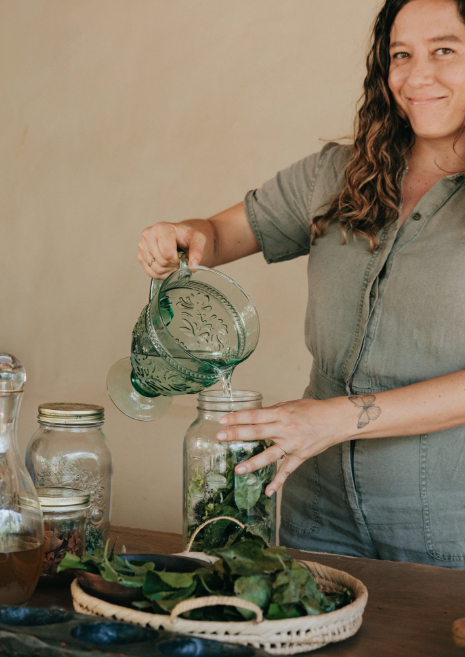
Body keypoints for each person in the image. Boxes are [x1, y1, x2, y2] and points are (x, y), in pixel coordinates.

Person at [138, 0, 465, 568]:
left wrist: (339, 417)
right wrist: (182, 234)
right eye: (401, 55)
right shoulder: (335, 174)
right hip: (318, 513)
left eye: (445, 51)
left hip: (450, 527)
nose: (417, 76)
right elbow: (218, 234)